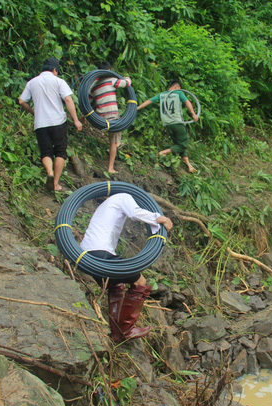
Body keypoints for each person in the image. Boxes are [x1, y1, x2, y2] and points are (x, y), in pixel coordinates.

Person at [80, 193, 173, 343]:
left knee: (115, 285)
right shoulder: (123, 196)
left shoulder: (106, 204)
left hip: (87, 255)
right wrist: (159, 218)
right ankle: (126, 329)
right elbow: (135, 212)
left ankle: (116, 332)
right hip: (102, 252)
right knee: (140, 282)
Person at [19, 57, 83, 192]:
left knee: (46, 152)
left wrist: (33, 112)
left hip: (40, 123)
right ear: (55, 70)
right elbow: (67, 99)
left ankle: (49, 172)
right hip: (57, 122)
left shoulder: (32, 82)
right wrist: (76, 120)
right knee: (60, 151)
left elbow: (21, 101)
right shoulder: (58, 81)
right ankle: (55, 183)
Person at [137, 78, 199, 173]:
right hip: (177, 123)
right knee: (183, 144)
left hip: (167, 125)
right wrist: (193, 114)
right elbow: (187, 102)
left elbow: (149, 101)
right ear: (177, 86)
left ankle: (189, 166)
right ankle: (163, 152)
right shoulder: (179, 93)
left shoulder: (162, 95)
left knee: (178, 144)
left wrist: (137, 108)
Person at [90, 61, 132, 174]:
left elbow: (89, 102)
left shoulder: (93, 86)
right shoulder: (111, 80)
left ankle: (118, 143)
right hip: (112, 116)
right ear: (109, 71)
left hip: (99, 117)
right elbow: (126, 83)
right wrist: (127, 78)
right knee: (113, 141)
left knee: (118, 131)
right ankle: (110, 168)